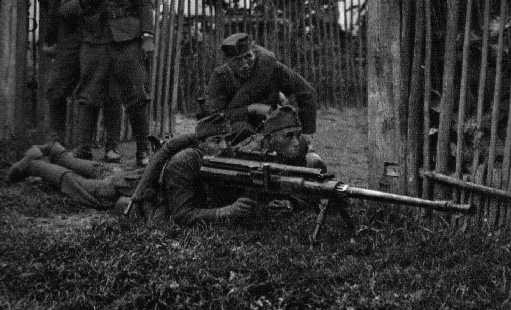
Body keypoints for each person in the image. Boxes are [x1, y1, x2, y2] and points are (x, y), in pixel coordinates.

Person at [6, 114, 256, 224]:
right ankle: (35, 165)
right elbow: (181, 213)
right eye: (216, 141)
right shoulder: (188, 154)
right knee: (88, 187)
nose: (223, 146)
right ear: (201, 142)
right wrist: (227, 212)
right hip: (138, 185)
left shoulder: (214, 151)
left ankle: (54, 149)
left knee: (102, 170)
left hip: (136, 176)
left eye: (225, 139)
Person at [59, 0, 154, 166]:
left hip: (128, 39)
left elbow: (144, 3)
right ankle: (83, 149)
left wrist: (147, 35)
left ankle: (143, 150)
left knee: (136, 95)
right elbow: (65, 10)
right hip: (94, 39)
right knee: (89, 94)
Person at [204, 32, 317, 145]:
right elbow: (215, 117)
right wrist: (251, 109)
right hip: (237, 131)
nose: (245, 65)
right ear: (228, 62)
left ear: (255, 53)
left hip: (272, 127)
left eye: (248, 56)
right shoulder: (220, 77)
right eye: (237, 60)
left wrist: (306, 133)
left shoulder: (271, 68)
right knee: (241, 130)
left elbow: (307, 92)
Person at [41, 0, 81, 142]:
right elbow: (51, 11)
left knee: (93, 93)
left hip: (89, 38)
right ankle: (56, 142)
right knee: (55, 90)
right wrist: (50, 41)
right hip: (66, 41)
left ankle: (87, 145)